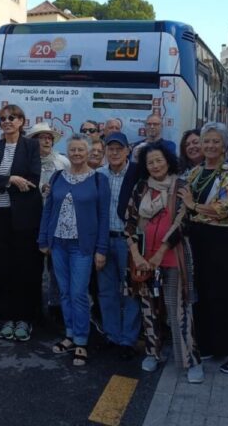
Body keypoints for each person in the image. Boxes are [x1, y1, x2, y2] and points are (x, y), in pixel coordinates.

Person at [124, 143, 203, 384]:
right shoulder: (140, 188)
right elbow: (129, 222)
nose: (155, 166)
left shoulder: (180, 186)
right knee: (149, 309)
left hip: (171, 259)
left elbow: (181, 223)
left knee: (178, 310)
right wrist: (137, 256)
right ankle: (152, 353)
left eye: (159, 160)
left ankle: (191, 361)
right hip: (143, 261)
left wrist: (158, 255)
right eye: (150, 162)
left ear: (168, 161)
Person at [178, 122, 228, 374]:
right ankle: (212, 344)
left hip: (226, 239)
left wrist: (192, 206)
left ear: (225, 145)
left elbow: (225, 208)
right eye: (206, 141)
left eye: (215, 141)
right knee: (206, 293)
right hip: (199, 239)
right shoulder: (196, 171)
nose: (209, 146)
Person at [39, 134, 110, 366]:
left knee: (79, 293)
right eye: (73, 150)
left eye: (81, 150)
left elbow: (103, 217)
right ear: (67, 153)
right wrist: (43, 240)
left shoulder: (99, 180)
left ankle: (81, 340)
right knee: (65, 293)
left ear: (89, 152)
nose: (77, 154)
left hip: (83, 246)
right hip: (58, 244)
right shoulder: (58, 176)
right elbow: (48, 210)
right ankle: (69, 335)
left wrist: (101, 249)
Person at [0, 104, 44, 342]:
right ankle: (7, 318)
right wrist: (11, 179)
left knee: (24, 270)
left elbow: (33, 179)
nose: (7, 121)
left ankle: (25, 319)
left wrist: (3, 180)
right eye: (3, 118)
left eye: (12, 118)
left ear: (21, 122)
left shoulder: (31, 146)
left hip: (25, 219)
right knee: (1, 269)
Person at [96, 132, 142, 360]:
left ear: (127, 151)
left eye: (119, 149)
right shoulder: (98, 175)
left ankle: (128, 339)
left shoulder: (137, 174)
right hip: (104, 240)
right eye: (110, 148)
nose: (114, 152)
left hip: (128, 242)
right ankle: (112, 336)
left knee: (132, 290)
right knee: (107, 291)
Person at [28, 122, 69, 324]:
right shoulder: (26, 163)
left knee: (56, 267)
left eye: (49, 137)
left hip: (56, 221)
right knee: (33, 267)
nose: (46, 140)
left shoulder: (63, 162)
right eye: (41, 137)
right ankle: (34, 306)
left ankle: (56, 305)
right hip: (33, 221)